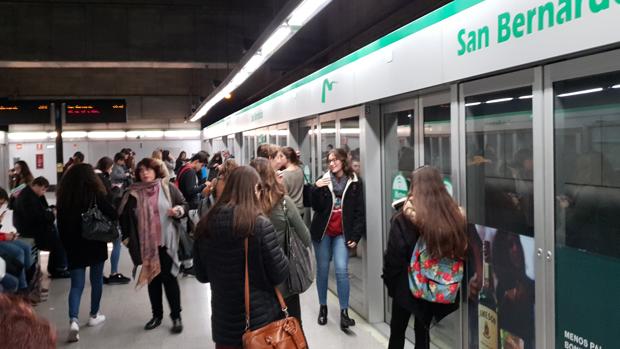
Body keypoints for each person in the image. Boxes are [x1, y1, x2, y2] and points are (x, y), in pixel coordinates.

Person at [193, 166, 289, 349]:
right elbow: (279, 274)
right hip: (259, 324)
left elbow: (201, 275)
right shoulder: (259, 225)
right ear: (254, 189)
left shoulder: (205, 224)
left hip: (224, 325)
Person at [383, 166, 467, 349]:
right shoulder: (451, 218)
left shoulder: (403, 218)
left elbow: (393, 258)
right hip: (434, 284)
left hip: (405, 286)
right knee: (423, 332)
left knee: (398, 330)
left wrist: (392, 285)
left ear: (414, 187)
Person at [118, 158, 188, 334]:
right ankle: (157, 315)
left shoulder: (167, 188)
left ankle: (176, 317)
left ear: (156, 171)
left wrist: (178, 211)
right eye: (141, 171)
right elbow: (124, 218)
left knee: (170, 279)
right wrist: (127, 239)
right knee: (153, 281)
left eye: (148, 169)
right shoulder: (133, 193)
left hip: (167, 242)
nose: (145, 173)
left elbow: (185, 204)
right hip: (146, 246)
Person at [57, 164, 118, 342]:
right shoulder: (95, 194)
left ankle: (73, 321)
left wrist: (66, 245)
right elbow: (112, 214)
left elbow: (59, 224)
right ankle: (93, 315)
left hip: (73, 245)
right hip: (95, 241)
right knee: (96, 280)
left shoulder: (63, 197)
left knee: (76, 285)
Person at [250, 158, 311, 323]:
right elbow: (306, 237)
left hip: (255, 285)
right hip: (285, 282)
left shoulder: (246, 207)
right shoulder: (283, 202)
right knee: (292, 330)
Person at [310, 148, 364, 331]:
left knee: (341, 270)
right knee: (323, 270)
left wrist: (356, 236)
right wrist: (316, 188)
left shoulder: (355, 182)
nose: (331, 163)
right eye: (329, 160)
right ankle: (323, 307)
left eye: (335, 160)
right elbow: (313, 205)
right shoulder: (323, 179)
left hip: (342, 234)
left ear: (343, 161)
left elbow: (359, 212)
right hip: (323, 233)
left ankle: (344, 313)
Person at [12, 177, 69, 278]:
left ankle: (58, 267)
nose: (44, 192)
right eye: (43, 189)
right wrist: (52, 214)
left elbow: (40, 212)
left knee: (58, 233)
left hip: (30, 226)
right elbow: (37, 216)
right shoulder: (28, 198)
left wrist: (50, 211)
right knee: (60, 239)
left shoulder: (28, 194)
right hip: (31, 230)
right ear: (37, 186)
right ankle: (58, 268)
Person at [95, 157, 131, 285]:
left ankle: (98, 276)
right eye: (110, 168)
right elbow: (108, 198)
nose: (111, 171)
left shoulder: (92, 178)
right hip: (106, 216)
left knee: (99, 246)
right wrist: (115, 190)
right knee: (116, 242)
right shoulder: (102, 179)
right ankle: (114, 273)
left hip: (95, 219)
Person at [280, 147, 305, 216]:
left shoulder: (283, 175)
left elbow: (285, 197)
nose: (280, 159)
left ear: (287, 158)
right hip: (301, 209)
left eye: (281, 156)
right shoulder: (300, 170)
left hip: (290, 212)